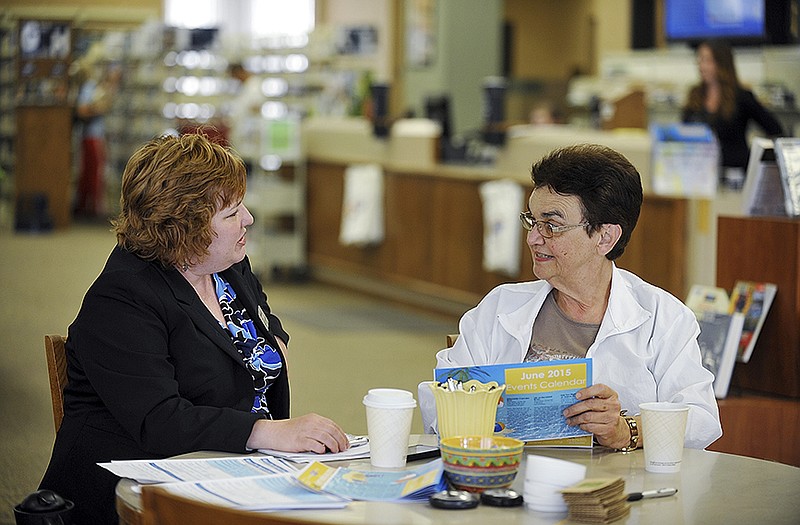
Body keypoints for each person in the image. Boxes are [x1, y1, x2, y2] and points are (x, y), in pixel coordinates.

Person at [38, 133, 349, 524]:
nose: (248, 218)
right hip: (130, 495)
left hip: (229, 474)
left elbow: (266, 324)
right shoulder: (122, 297)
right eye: (232, 213)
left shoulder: (228, 266)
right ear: (185, 228)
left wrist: (276, 345)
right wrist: (269, 432)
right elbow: (160, 421)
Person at [436, 144, 722, 451]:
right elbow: (440, 407)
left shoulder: (663, 319)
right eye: (532, 221)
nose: (533, 238)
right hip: (510, 482)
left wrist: (628, 430)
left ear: (605, 237)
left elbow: (702, 420)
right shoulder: (499, 308)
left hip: (619, 490)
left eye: (552, 225)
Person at [682, 39, 784, 182]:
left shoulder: (741, 97)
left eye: (707, 61)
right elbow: (683, 133)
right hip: (701, 176)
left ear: (721, 63)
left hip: (736, 175)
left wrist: (762, 161)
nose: (701, 66)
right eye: (700, 60)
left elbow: (775, 129)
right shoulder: (694, 96)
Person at [73, 54, 121, 217]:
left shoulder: (100, 88)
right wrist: (98, 109)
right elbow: (82, 110)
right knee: (92, 171)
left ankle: (87, 206)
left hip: (96, 135)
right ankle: (90, 207)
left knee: (92, 171)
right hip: (90, 136)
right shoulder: (90, 87)